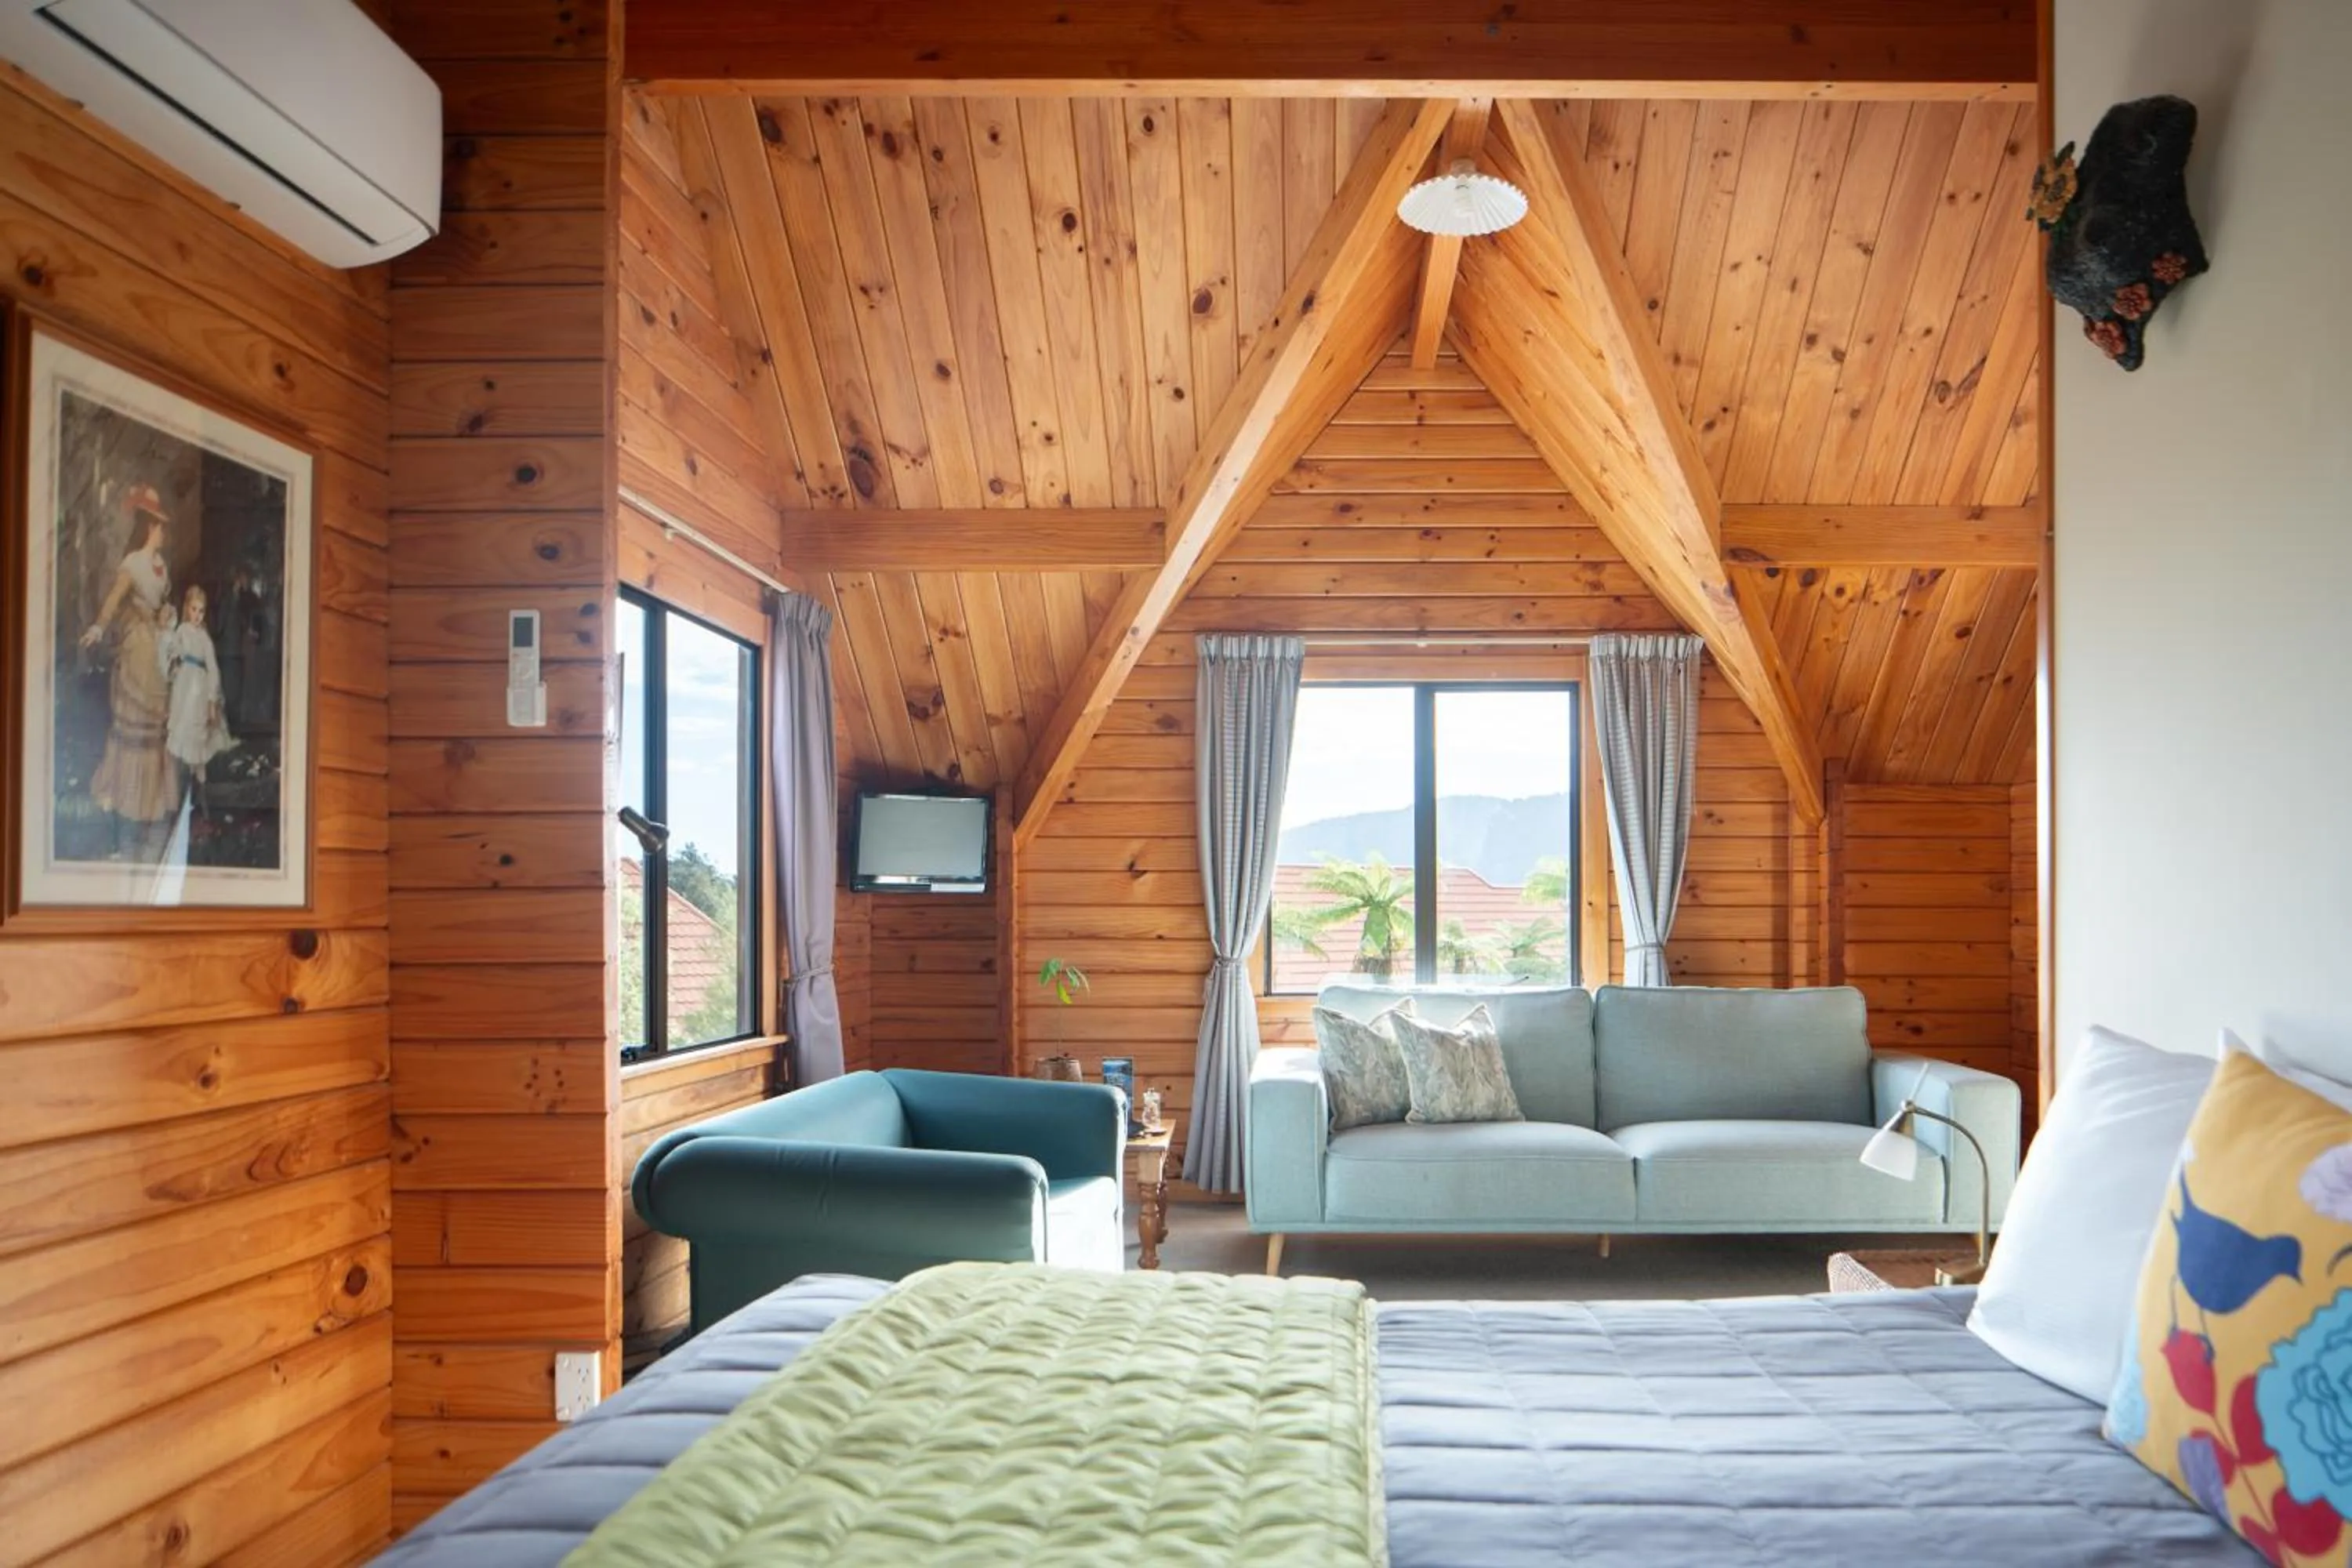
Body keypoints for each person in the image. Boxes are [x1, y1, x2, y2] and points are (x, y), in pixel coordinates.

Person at [78, 485, 177, 857]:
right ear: (149, 527)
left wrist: (166, 615)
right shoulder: (133, 563)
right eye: (160, 526)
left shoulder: (160, 566)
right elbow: (113, 601)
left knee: (156, 723)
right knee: (136, 717)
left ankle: (150, 805)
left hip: (156, 648)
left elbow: (162, 601)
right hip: (137, 648)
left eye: (163, 526)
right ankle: (125, 806)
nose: (164, 532)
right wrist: (98, 628)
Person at [158, 583, 234, 810]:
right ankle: (180, 797)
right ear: (186, 608)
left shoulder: (205, 638)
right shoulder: (181, 631)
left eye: (201, 611)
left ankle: (201, 798)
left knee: (198, 746)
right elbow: (170, 659)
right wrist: (167, 635)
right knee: (180, 742)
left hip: (199, 694)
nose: (197, 616)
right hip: (183, 691)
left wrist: (212, 699)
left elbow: (213, 669)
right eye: (194, 609)